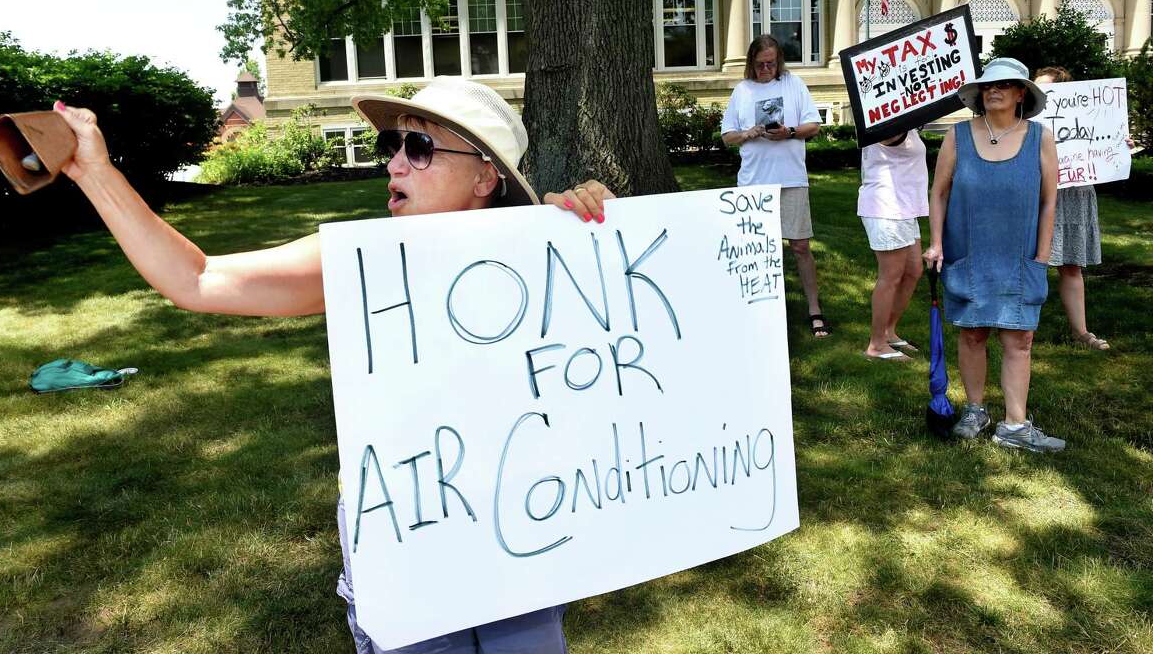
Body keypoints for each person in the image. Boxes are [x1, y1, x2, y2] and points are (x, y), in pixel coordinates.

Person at [52, 76, 614, 653]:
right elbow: (196, 279)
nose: (394, 164)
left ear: (485, 177)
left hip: (520, 538)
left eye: (419, 148)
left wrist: (596, 230)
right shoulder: (361, 262)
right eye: (391, 146)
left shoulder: (546, 255)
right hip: (407, 552)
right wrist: (95, 172)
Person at [923, 58, 1063, 453]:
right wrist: (936, 242)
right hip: (969, 252)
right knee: (973, 333)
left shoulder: (1040, 138)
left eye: (1003, 85)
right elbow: (939, 192)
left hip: (1020, 256)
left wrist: (1042, 254)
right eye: (987, 85)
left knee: (1020, 338)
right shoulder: (958, 136)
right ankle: (975, 410)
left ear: (1021, 94)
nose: (993, 90)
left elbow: (1049, 202)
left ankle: (1015, 425)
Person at [720, 35, 829, 338]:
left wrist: (789, 132)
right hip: (753, 185)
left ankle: (814, 310)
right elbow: (727, 136)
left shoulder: (794, 84)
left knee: (800, 246)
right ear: (751, 63)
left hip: (791, 179)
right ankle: (759, 313)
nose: (766, 69)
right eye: (760, 64)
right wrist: (748, 133)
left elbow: (814, 126)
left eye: (771, 63)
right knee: (757, 252)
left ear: (779, 60)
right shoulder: (742, 90)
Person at [1032, 66, 1135, 351]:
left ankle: (1081, 332)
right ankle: (1020, 328)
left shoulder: (1085, 114)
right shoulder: (1025, 118)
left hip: (1075, 194)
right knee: (1031, 263)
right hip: (1036, 194)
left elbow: (1104, 150)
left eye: (1045, 87)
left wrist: (1119, 146)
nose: (1039, 92)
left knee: (1071, 265)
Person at [857, 128, 927, 360]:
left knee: (913, 271)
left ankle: (889, 331)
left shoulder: (909, 122)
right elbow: (890, 136)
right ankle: (876, 345)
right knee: (891, 276)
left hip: (905, 207)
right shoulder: (886, 122)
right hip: (886, 206)